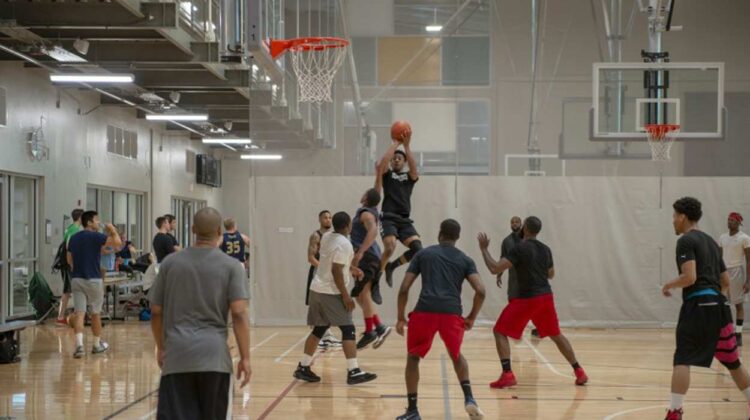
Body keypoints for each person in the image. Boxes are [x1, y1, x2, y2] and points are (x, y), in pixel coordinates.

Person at [149, 207, 251, 419]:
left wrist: (160, 347)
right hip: (215, 359)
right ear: (218, 232)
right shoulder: (232, 266)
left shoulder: (170, 263)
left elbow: (156, 311)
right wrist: (245, 357)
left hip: (177, 357)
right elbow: (239, 314)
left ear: (193, 229)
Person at [663, 198, 750, 420]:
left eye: (674, 216)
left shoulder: (685, 241)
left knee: (683, 358)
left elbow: (690, 276)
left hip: (697, 306)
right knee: (733, 362)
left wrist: (669, 285)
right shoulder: (712, 242)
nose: (673, 221)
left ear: (682, 217)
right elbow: (725, 282)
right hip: (720, 309)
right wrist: (715, 304)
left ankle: (675, 411)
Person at [478, 216, 588, 388]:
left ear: (525, 228)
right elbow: (551, 274)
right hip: (546, 297)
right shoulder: (546, 249)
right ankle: (579, 371)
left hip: (527, 298)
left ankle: (507, 374)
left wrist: (484, 250)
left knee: (499, 331)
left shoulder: (518, 248)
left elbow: (494, 268)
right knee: (556, 334)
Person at [396, 219, 486, 420]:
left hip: (425, 311)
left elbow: (404, 289)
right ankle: (470, 399)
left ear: (440, 234)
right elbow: (480, 290)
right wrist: (471, 316)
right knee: (456, 355)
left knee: (413, 357)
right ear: (457, 237)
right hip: (451, 313)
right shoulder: (465, 259)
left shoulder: (423, 254)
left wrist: (400, 317)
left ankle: (412, 411)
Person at [293, 211, 377, 385]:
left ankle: (303, 366)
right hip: (330, 292)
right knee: (348, 329)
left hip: (317, 288)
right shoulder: (344, 244)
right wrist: (346, 296)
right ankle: (353, 371)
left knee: (319, 330)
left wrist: (352, 269)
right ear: (348, 226)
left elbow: (331, 263)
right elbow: (336, 270)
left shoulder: (327, 237)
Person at [66, 211, 122, 358]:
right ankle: (96, 345)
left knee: (79, 313)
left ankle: (79, 346)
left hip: (77, 279)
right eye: (96, 220)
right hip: (94, 279)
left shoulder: (74, 238)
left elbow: (69, 259)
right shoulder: (96, 236)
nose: (99, 222)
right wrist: (112, 229)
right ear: (89, 222)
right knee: (95, 313)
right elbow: (117, 244)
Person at [375, 128, 422, 288]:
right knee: (390, 246)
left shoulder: (409, 177)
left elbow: (414, 168)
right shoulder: (387, 175)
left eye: (399, 159)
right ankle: (377, 277)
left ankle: (392, 266)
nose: (396, 160)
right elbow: (382, 163)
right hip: (388, 217)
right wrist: (395, 144)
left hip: (404, 220)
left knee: (418, 250)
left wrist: (407, 147)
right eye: (394, 158)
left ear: (404, 162)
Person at [350, 189, 392, 350]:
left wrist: (360, 252)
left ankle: (370, 332)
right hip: (369, 257)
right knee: (360, 297)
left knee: (363, 294)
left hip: (367, 257)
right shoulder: (369, 211)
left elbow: (373, 231)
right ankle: (379, 326)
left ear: (366, 197)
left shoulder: (366, 214)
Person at [306, 210, 342, 349]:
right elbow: (310, 257)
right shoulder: (316, 235)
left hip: (329, 273)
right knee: (317, 304)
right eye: (325, 218)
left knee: (328, 303)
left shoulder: (333, 236)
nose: (328, 220)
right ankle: (319, 336)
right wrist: (324, 268)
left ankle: (327, 335)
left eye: (330, 217)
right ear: (320, 220)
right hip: (318, 272)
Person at [500, 216, 539, 338]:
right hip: (513, 277)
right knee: (513, 300)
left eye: (517, 222)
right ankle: (515, 327)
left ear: (522, 224)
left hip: (528, 277)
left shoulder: (528, 239)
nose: (515, 224)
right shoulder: (506, 241)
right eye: (512, 222)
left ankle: (538, 327)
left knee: (531, 303)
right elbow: (503, 258)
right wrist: (499, 274)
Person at [719, 212, 750, 347]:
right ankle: (724, 334)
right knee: (722, 305)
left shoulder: (744, 238)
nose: (729, 222)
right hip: (724, 272)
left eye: (732, 220)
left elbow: (749, 261)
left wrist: (748, 281)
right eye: (728, 219)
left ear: (738, 223)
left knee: (738, 305)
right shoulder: (722, 237)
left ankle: (738, 335)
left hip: (737, 271)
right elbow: (718, 259)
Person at [57, 208, 84, 326]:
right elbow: (69, 247)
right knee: (67, 290)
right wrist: (72, 264)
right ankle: (61, 317)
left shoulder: (70, 228)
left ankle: (63, 316)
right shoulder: (74, 230)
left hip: (67, 263)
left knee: (68, 290)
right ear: (79, 218)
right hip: (68, 264)